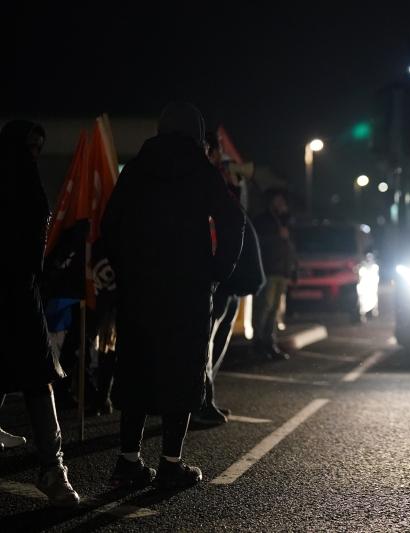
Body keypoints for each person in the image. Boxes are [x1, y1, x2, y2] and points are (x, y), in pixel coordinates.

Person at [101, 103, 244, 490]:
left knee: (136, 369)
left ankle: (127, 462)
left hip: (140, 288)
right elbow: (233, 220)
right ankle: (170, 463)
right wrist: (217, 271)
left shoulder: (136, 169)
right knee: (181, 369)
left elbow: (109, 224)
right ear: (196, 134)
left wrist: (126, 267)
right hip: (188, 288)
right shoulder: (202, 172)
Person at [0, 120, 80, 506]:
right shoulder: (26, 185)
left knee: (38, 380)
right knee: (36, 379)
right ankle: (52, 470)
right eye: (29, 148)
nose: (32, 156)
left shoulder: (27, 184)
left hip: (22, 295)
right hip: (18, 294)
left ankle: (53, 468)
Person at [191, 131, 265, 427]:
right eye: (215, 151)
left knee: (217, 338)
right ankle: (199, 400)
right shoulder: (202, 178)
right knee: (205, 340)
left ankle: (207, 395)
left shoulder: (223, 179)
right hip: (216, 272)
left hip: (229, 275)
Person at [252, 188, 297, 361]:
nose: (281, 204)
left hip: (282, 271)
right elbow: (259, 242)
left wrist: (292, 269)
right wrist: (275, 235)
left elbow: (291, 246)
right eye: (278, 200)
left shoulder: (287, 220)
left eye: (282, 201)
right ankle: (258, 343)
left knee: (275, 309)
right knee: (265, 306)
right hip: (269, 269)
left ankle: (269, 342)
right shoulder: (263, 220)